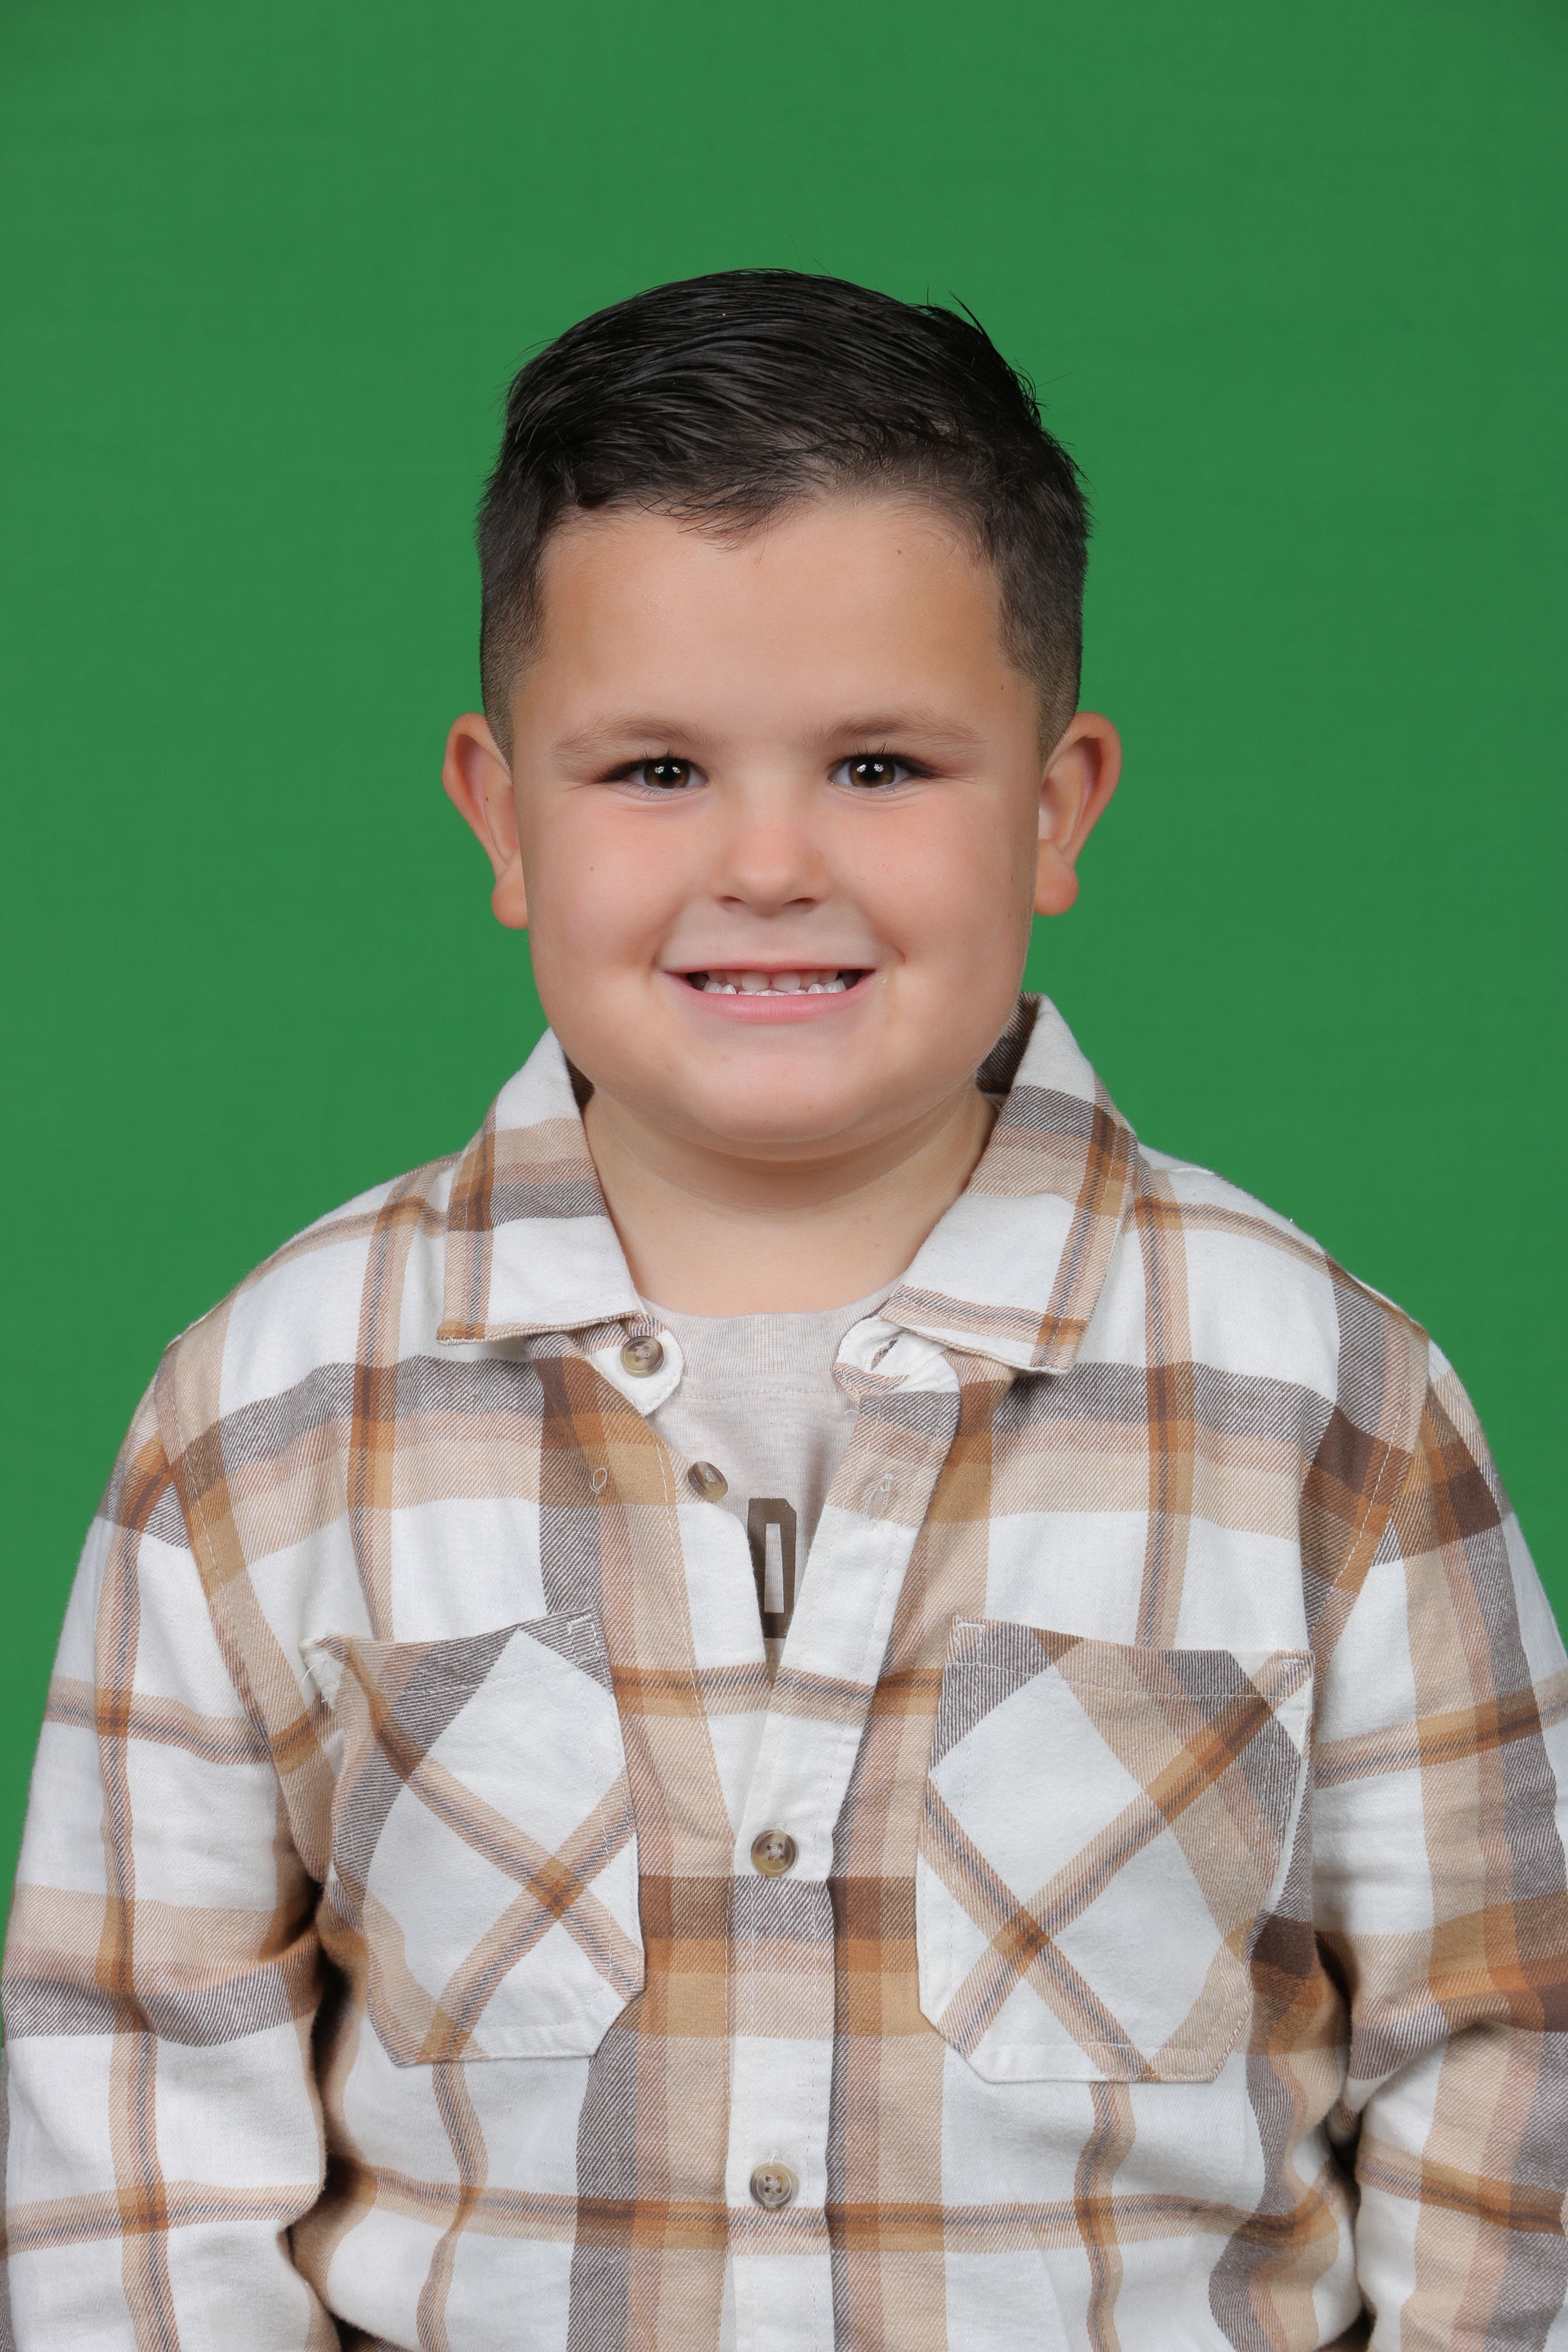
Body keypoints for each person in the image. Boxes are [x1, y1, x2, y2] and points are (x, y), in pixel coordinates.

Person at [2, 270, 1563, 2352]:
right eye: (654, 768)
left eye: (880, 765)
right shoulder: (268, 1418)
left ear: (1056, 804)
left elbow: (1507, 2053)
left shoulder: (1322, 1404)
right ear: (500, 814)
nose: (765, 862)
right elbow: (133, 2116)